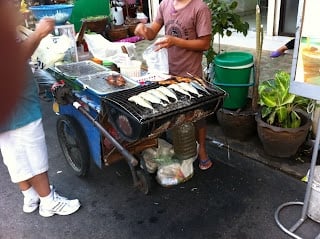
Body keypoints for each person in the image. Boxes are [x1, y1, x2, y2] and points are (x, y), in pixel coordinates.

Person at [0, 0, 81, 217]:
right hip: (18, 106)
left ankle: (30, 196)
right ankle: (48, 201)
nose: (17, 4)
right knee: (32, 153)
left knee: (13, 155)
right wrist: (39, 33)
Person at [134, 0, 213, 170]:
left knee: (197, 114)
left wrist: (176, 41)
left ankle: (203, 151)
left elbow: (205, 44)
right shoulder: (165, 5)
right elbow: (151, 33)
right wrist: (143, 30)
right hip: (166, 72)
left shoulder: (199, 8)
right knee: (167, 109)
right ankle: (170, 145)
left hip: (191, 74)